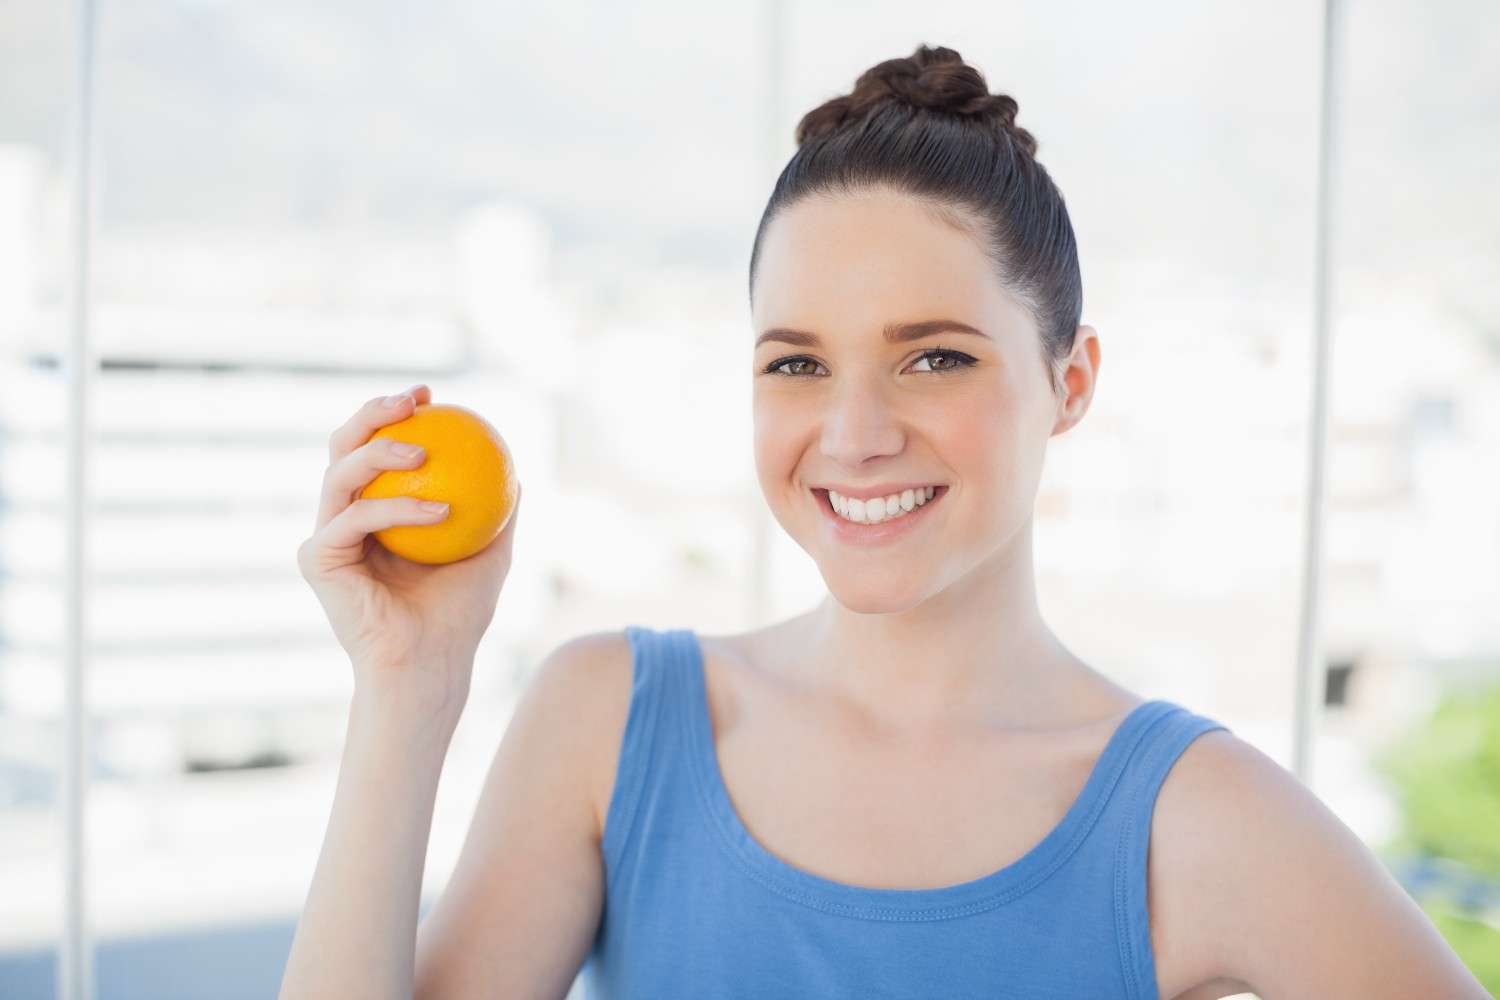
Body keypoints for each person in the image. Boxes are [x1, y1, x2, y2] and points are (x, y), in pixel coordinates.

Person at [279, 43, 1488, 1000]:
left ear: (1070, 382)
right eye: (797, 366)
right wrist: (409, 686)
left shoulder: (1204, 819)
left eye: (934, 359)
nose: (853, 434)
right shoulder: (604, 728)